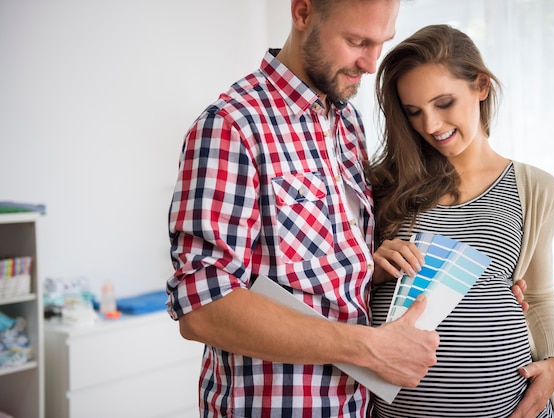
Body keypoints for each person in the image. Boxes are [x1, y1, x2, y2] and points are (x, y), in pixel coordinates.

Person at [165, 1, 442, 416]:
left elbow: (316, 274)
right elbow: (203, 308)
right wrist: (369, 347)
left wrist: (367, 266)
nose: (370, 64)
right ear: (302, 13)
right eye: (356, 41)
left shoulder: (347, 121)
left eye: (380, 43)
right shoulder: (232, 125)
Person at [367, 24, 554, 417]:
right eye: (414, 112)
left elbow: (541, 296)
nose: (429, 125)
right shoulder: (383, 185)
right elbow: (343, 288)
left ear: (480, 86)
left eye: (444, 103)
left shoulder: (535, 188)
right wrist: (371, 268)